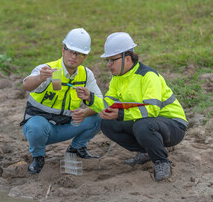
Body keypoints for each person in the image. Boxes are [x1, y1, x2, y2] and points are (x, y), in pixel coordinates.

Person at [76, 32, 188, 181]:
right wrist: (90, 98)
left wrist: (121, 114)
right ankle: (147, 152)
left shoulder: (148, 76)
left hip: (173, 125)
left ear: (127, 59)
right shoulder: (117, 79)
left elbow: (152, 110)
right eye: (107, 61)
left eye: (111, 60)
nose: (108, 65)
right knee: (107, 123)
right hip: (148, 123)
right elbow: (107, 105)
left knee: (142, 126)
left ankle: (161, 161)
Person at [20, 28, 103, 174]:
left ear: (85, 56)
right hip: (42, 128)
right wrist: (40, 78)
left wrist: (87, 104)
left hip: (67, 125)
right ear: (63, 50)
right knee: (36, 126)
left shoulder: (86, 75)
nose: (73, 56)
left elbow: (101, 104)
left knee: (101, 116)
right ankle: (38, 156)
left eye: (78, 53)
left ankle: (77, 147)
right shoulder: (47, 69)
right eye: (70, 51)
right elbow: (26, 85)